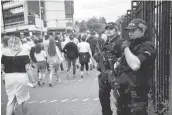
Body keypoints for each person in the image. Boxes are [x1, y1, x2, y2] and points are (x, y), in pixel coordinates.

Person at [114, 18, 156, 115]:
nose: (130, 33)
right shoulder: (131, 45)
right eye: (129, 30)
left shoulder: (147, 46)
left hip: (136, 97)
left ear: (143, 31)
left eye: (133, 30)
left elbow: (135, 65)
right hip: (124, 96)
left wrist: (125, 48)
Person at [94, 22, 123, 115]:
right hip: (104, 74)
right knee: (103, 100)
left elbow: (123, 58)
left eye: (111, 28)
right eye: (106, 29)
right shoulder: (106, 42)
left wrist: (116, 61)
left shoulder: (120, 42)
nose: (108, 30)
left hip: (115, 74)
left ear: (116, 30)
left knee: (120, 101)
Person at [1, 36, 34, 115]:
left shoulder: (5, 54)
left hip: (9, 77)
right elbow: (28, 69)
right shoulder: (24, 53)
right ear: (19, 43)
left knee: (11, 100)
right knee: (25, 98)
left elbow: (2, 67)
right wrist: (32, 79)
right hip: (22, 77)